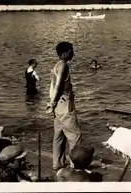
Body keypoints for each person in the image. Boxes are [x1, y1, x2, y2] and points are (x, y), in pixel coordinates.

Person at [48, 41, 82, 171]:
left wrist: (52, 102)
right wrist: (52, 102)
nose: (73, 53)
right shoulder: (64, 66)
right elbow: (57, 86)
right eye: (71, 51)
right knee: (75, 135)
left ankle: (57, 163)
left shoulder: (55, 66)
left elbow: (51, 87)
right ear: (64, 53)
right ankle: (75, 166)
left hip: (58, 106)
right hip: (65, 103)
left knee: (59, 135)